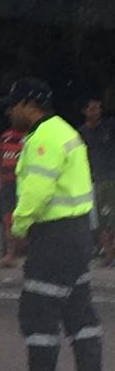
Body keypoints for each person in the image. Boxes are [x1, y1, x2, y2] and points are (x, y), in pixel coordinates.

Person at [0, 78, 106, 371]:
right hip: (76, 235)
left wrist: (18, 225)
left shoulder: (43, 137)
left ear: (29, 104)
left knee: (37, 311)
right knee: (78, 311)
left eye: (14, 105)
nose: (9, 111)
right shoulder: (65, 131)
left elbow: (37, 191)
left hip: (54, 237)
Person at [78, 97, 115, 265]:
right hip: (94, 180)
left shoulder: (109, 127)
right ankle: (107, 253)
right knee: (100, 220)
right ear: (84, 111)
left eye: (99, 108)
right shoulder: (81, 134)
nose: (97, 112)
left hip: (111, 177)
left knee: (111, 217)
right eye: (92, 109)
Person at [0, 124, 25, 268]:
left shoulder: (31, 136)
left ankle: (26, 252)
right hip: (7, 183)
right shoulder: (5, 137)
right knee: (8, 219)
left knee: (26, 218)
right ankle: (10, 255)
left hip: (24, 183)